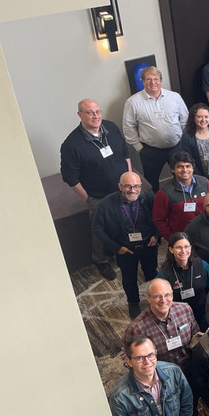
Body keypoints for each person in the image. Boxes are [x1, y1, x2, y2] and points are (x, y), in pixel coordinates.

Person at [60, 98, 132, 280]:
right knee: (99, 231)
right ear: (80, 115)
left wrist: (129, 180)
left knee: (125, 222)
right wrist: (88, 198)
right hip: (98, 196)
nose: (96, 116)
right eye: (90, 112)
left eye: (98, 111)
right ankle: (101, 261)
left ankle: (122, 251)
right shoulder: (71, 144)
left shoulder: (111, 127)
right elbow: (70, 177)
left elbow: (125, 154)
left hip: (124, 190)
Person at [109, 335, 193, 416]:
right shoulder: (119, 397)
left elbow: (187, 406)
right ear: (129, 361)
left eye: (150, 355)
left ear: (156, 354)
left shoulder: (174, 372)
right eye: (139, 358)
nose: (147, 362)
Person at [93, 171, 159, 318]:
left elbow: (159, 217)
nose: (132, 190)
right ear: (120, 186)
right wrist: (117, 248)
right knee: (129, 279)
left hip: (148, 245)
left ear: (141, 186)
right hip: (125, 249)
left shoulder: (149, 197)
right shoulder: (105, 205)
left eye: (136, 186)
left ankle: (155, 298)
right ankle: (133, 302)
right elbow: (97, 229)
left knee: (152, 274)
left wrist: (156, 235)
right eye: (128, 186)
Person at [122, 66, 188, 190]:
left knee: (183, 178)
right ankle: (156, 207)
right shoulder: (133, 102)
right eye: (149, 79)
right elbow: (128, 127)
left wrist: (184, 140)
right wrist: (139, 148)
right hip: (150, 151)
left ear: (161, 80)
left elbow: (185, 119)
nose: (153, 82)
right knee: (152, 184)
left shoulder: (174, 97)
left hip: (177, 147)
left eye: (156, 79)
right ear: (143, 81)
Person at [124, 277, 200, 374]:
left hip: (191, 368)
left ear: (172, 296)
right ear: (148, 298)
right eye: (157, 296)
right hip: (162, 377)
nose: (163, 300)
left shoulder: (185, 309)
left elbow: (196, 337)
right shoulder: (136, 330)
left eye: (167, 295)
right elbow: (133, 363)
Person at [154, 233, 209, 327]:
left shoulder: (203, 265)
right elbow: (160, 298)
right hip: (179, 317)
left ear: (191, 248)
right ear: (171, 250)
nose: (183, 251)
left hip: (203, 313)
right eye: (179, 247)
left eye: (186, 246)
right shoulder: (164, 273)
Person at [176, 103, 209, 179]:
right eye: (199, 117)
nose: (203, 120)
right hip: (198, 176)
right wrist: (201, 178)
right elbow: (187, 159)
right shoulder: (187, 136)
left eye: (206, 117)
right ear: (193, 118)